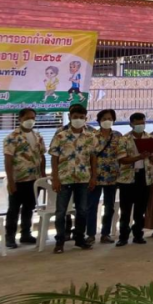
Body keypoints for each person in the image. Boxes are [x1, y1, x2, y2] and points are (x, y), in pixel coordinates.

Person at [48, 107, 98, 253]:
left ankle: (79, 239)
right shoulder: (60, 136)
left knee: (82, 211)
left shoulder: (91, 137)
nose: (78, 119)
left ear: (86, 118)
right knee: (61, 212)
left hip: (83, 179)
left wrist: (94, 176)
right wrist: (55, 178)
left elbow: (93, 158)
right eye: (75, 116)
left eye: (81, 116)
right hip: (65, 178)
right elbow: (54, 157)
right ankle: (60, 241)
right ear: (70, 117)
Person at [2, 108, 45, 249]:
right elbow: (8, 160)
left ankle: (26, 234)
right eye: (27, 118)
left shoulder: (38, 136)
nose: (30, 121)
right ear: (20, 119)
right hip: (18, 180)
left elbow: (42, 156)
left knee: (29, 208)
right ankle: (9, 237)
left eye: (33, 118)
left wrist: (43, 176)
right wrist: (10, 181)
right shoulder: (12, 137)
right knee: (13, 210)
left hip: (34, 180)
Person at [116, 112, 151, 246]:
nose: (140, 126)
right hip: (127, 177)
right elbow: (122, 159)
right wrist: (139, 157)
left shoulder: (149, 138)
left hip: (144, 176)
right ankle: (123, 236)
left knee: (140, 209)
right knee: (125, 210)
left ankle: (138, 234)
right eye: (137, 123)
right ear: (131, 124)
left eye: (142, 123)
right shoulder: (124, 140)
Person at [88, 109, 123, 244]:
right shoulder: (92, 136)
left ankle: (105, 234)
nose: (107, 121)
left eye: (109, 118)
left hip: (112, 176)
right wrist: (92, 176)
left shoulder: (118, 136)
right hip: (95, 177)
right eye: (104, 119)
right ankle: (90, 234)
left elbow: (121, 155)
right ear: (99, 120)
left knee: (109, 206)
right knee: (92, 205)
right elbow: (89, 156)